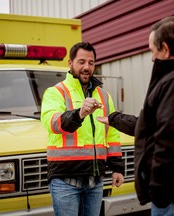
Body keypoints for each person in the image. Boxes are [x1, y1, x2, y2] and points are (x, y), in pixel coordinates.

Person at [97, 16, 174, 216]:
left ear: (165, 48)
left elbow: (171, 142)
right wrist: (114, 119)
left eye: (152, 50)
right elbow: (153, 127)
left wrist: (157, 192)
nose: (152, 57)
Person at [41, 42, 124, 216]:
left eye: (91, 63)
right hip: (65, 180)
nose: (87, 67)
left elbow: (112, 134)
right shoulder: (55, 92)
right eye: (81, 62)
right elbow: (52, 123)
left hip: (95, 180)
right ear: (70, 63)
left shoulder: (103, 95)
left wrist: (117, 168)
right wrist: (79, 113)